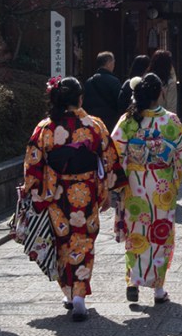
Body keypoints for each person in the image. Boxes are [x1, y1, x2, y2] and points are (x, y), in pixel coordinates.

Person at [22, 76, 119, 321]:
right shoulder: (94, 125)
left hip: (56, 193)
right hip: (86, 191)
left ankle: (68, 291)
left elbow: (33, 162)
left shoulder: (45, 128)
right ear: (80, 98)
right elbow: (108, 159)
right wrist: (107, 191)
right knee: (83, 241)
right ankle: (78, 297)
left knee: (62, 240)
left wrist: (32, 190)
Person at [111, 73, 182, 304]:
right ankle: (158, 289)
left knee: (136, 232)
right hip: (161, 185)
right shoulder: (170, 120)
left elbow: (114, 151)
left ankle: (133, 281)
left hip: (135, 184)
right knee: (160, 232)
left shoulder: (128, 120)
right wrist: (167, 160)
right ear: (160, 92)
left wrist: (129, 169)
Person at [82, 51, 123, 131]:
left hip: (92, 121)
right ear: (108, 63)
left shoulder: (88, 82)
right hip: (110, 121)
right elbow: (119, 102)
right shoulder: (114, 81)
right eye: (113, 62)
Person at [149, 49, 179, 114]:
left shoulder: (146, 80)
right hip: (162, 119)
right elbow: (171, 107)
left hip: (145, 119)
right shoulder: (169, 83)